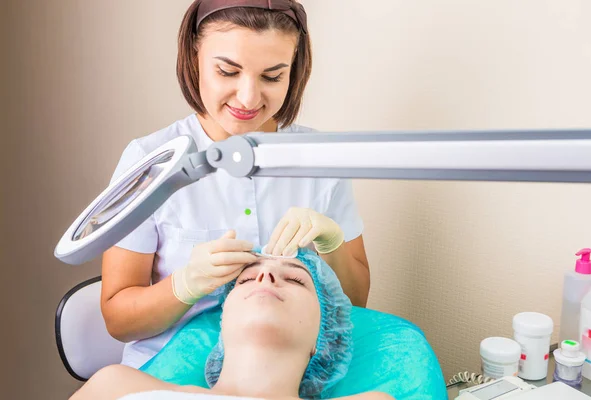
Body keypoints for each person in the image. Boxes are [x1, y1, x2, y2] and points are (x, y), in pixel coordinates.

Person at [101, 0, 371, 370]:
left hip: (287, 373)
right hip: (172, 374)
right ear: (194, 56)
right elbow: (118, 320)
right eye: (228, 71)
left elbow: (356, 302)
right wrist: (183, 285)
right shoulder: (150, 161)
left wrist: (332, 243)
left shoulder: (319, 160)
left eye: (272, 77)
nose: (248, 98)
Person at [72, 250, 390, 400]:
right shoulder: (115, 386)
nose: (266, 277)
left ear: (323, 339)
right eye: (247, 278)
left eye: (295, 279)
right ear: (222, 322)